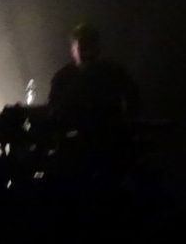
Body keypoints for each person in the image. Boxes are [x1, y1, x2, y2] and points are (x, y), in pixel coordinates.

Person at [48, 24, 140, 166]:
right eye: (82, 47)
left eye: (89, 45)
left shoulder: (113, 72)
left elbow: (133, 100)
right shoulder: (63, 78)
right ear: (73, 49)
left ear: (97, 48)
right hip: (77, 145)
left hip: (108, 143)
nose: (86, 52)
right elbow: (54, 111)